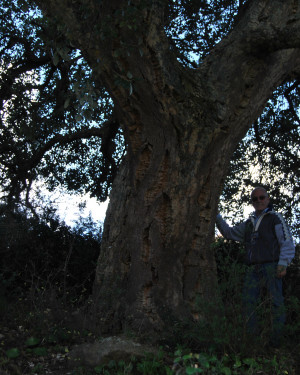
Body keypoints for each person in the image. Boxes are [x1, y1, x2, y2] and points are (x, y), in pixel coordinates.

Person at [216, 187, 295, 347]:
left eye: (261, 197)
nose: (258, 201)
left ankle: (276, 342)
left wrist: (283, 263)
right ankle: (252, 341)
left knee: (276, 303)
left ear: (268, 199)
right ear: (252, 202)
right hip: (252, 268)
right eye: (255, 199)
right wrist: (216, 216)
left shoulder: (275, 218)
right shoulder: (249, 223)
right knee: (249, 302)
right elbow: (230, 233)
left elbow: (286, 241)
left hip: (272, 265)